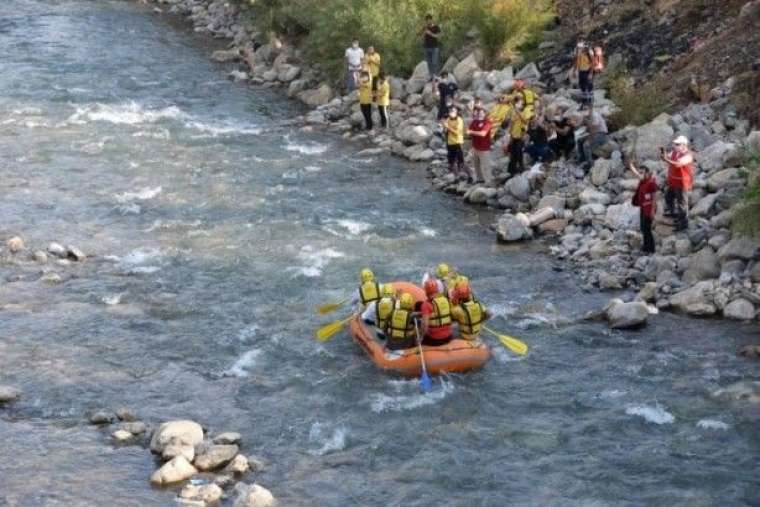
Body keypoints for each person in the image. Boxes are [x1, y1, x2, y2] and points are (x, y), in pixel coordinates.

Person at [662, 135, 695, 232]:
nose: (674, 146)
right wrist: (663, 154)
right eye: (674, 144)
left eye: (677, 144)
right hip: (673, 182)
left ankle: (683, 224)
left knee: (682, 204)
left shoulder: (688, 156)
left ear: (684, 145)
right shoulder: (675, 152)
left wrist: (666, 159)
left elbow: (677, 164)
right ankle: (673, 213)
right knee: (668, 197)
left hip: (682, 183)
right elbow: (668, 157)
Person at [629, 161, 658, 254]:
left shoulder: (651, 183)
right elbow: (636, 174)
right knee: (643, 228)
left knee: (647, 229)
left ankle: (650, 249)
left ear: (647, 173)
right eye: (640, 172)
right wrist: (631, 165)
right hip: (643, 208)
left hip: (649, 209)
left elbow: (655, 197)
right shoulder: (643, 181)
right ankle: (646, 247)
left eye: (642, 172)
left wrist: (653, 211)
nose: (640, 174)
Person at [420, 279, 453, 346]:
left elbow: (425, 326)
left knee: (416, 336)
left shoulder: (426, 305)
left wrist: (420, 336)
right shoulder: (446, 300)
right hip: (449, 337)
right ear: (437, 289)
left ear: (426, 291)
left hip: (434, 339)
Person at [467, 107, 494, 185]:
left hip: (484, 148)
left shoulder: (487, 122)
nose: (481, 114)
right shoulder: (474, 121)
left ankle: (488, 181)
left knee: (486, 165)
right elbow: (468, 132)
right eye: (479, 112)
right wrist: (471, 132)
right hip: (475, 147)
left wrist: (472, 132)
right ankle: (480, 179)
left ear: (485, 114)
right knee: (476, 165)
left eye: (482, 112)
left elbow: (483, 133)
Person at [505, 98, 531, 175]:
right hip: (513, 135)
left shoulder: (524, 112)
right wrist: (510, 136)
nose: (520, 105)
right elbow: (510, 122)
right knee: (513, 152)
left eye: (521, 104)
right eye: (518, 103)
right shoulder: (512, 112)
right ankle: (512, 169)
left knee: (519, 152)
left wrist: (518, 112)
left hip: (521, 136)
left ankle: (521, 167)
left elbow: (526, 121)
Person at [442, 106, 465, 178]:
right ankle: (452, 172)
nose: (451, 113)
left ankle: (461, 171)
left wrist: (447, 127)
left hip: (458, 141)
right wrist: (444, 127)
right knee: (450, 157)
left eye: (453, 111)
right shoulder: (448, 119)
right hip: (450, 141)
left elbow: (457, 132)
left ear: (456, 112)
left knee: (459, 157)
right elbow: (445, 131)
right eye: (450, 111)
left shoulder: (459, 120)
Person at [573, 41, 595, 107]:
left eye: (580, 47)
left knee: (588, 86)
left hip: (587, 71)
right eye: (579, 47)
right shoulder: (580, 53)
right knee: (582, 85)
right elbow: (577, 63)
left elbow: (592, 64)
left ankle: (590, 100)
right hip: (581, 71)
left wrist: (591, 74)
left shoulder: (589, 53)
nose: (579, 48)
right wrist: (574, 71)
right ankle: (584, 101)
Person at [421, 14, 441, 78]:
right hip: (427, 48)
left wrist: (430, 33)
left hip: (434, 48)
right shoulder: (425, 28)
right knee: (429, 63)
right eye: (427, 20)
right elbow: (421, 37)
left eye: (429, 20)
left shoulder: (436, 27)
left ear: (432, 20)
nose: (428, 22)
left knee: (435, 62)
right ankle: (431, 76)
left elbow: (438, 36)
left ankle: (436, 75)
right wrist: (424, 33)